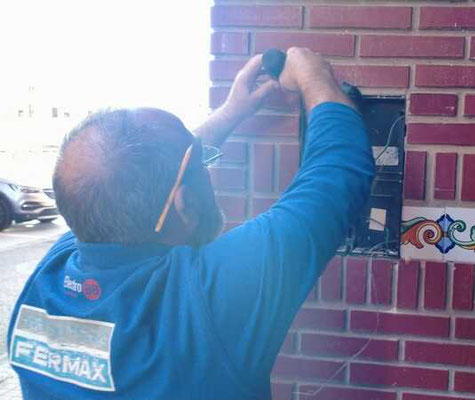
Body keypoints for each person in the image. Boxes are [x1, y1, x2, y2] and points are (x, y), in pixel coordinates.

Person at [6, 48, 375, 399]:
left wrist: (232, 111)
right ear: (183, 203)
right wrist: (314, 75)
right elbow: (337, 170)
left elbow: (127, 181)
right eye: (203, 166)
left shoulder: (47, 282)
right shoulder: (207, 301)